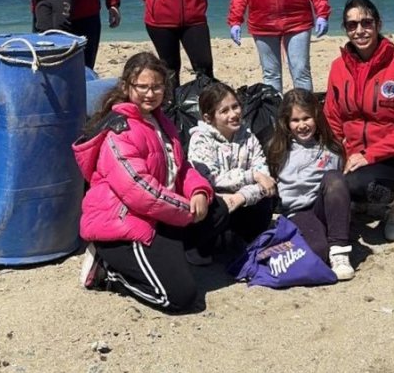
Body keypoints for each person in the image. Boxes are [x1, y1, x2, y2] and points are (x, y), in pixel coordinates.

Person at [72, 52, 227, 312]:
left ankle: (170, 256)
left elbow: (181, 166)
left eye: (156, 86)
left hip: (159, 215)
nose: (150, 93)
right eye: (142, 87)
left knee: (217, 209)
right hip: (125, 223)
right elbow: (141, 192)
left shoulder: (160, 120)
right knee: (179, 297)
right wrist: (186, 211)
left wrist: (199, 191)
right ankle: (108, 272)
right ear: (126, 88)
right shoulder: (119, 131)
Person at [324, 0, 394, 243]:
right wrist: (335, 155)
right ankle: (357, 197)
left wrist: (369, 155)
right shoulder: (338, 67)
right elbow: (332, 118)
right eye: (351, 25)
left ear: (378, 24)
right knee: (325, 178)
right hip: (355, 157)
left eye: (366, 23)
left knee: (357, 183)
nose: (359, 31)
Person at [265, 89, 354, 281]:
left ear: (316, 117)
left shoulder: (331, 148)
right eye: (295, 120)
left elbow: (339, 183)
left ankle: (339, 251)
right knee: (318, 251)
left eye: (307, 118)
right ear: (286, 123)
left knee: (335, 179)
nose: (302, 125)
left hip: (325, 206)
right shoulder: (277, 150)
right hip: (299, 212)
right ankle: (275, 247)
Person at [187, 81, 276, 250]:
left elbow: (265, 177)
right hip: (219, 204)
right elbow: (211, 179)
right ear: (208, 118)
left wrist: (241, 197)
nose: (234, 114)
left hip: (241, 202)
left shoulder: (248, 137)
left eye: (235, 107)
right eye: (224, 111)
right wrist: (252, 176)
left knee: (265, 198)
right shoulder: (200, 140)